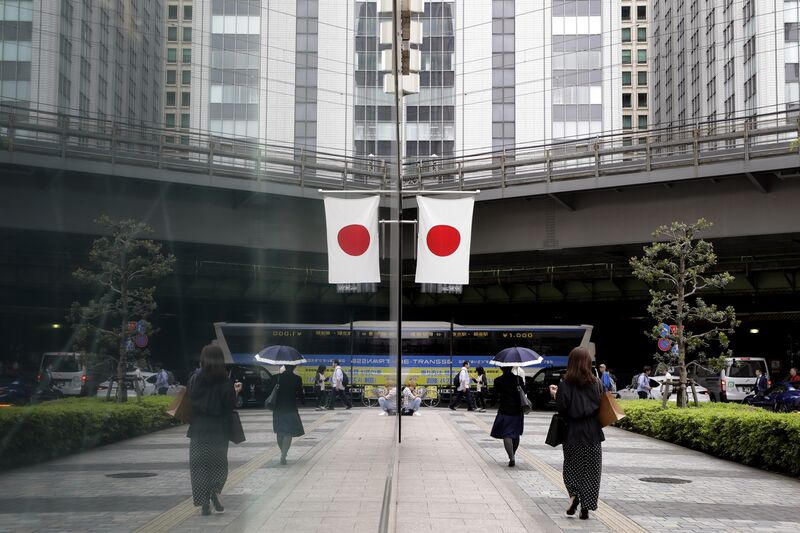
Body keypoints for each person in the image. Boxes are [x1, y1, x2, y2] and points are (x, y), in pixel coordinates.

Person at [549, 347, 605, 521]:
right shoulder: (596, 382)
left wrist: (555, 394)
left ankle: (574, 497)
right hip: (593, 432)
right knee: (592, 471)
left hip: (572, 432)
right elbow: (601, 405)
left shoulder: (565, 383)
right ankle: (586, 507)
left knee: (572, 468)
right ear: (588, 362)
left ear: (571, 362)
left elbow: (562, 408)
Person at [187, 344, 243, 516]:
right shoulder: (225, 381)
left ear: (203, 359)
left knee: (199, 467)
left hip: (198, 430)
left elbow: (190, 401)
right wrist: (236, 391)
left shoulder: (194, 378)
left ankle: (204, 502)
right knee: (218, 466)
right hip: (219, 431)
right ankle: (213, 492)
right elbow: (229, 405)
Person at [269, 364, 305, 465]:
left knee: (280, 432)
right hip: (291, 409)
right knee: (288, 433)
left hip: (278, 409)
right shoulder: (297, 379)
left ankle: (282, 452)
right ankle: (283, 455)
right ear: (294, 367)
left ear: (284, 366)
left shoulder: (276, 378)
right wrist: (303, 401)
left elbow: (269, 391)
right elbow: (300, 394)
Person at [490, 366, 526, 467]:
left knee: (507, 434)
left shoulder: (498, 380)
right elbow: (525, 392)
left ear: (501, 368)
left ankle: (511, 457)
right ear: (511, 368)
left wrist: (492, 403)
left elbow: (495, 395)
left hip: (504, 409)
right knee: (516, 433)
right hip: (518, 410)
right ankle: (513, 454)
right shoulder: (518, 379)